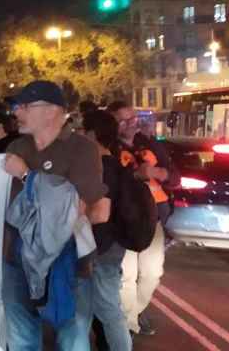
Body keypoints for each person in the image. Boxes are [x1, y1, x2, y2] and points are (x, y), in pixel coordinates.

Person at [2, 80, 110, 351]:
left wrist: (28, 177)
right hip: (17, 260)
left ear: (51, 111)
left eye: (24, 106)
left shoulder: (82, 149)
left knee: (72, 338)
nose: (17, 112)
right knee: (21, 338)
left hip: (67, 260)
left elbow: (75, 209)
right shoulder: (17, 147)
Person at [107, 101, 170, 337]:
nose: (131, 124)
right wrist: (134, 174)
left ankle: (132, 316)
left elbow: (172, 174)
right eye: (123, 120)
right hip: (124, 218)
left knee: (153, 273)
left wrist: (161, 173)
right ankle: (128, 327)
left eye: (132, 118)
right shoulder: (110, 147)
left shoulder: (148, 143)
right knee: (127, 277)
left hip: (152, 218)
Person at [81, 110, 133, 351]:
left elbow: (100, 213)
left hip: (101, 247)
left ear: (92, 134)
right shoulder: (114, 164)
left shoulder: (101, 168)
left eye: (82, 130)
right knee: (90, 310)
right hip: (108, 245)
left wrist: (70, 219)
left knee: (109, 311)